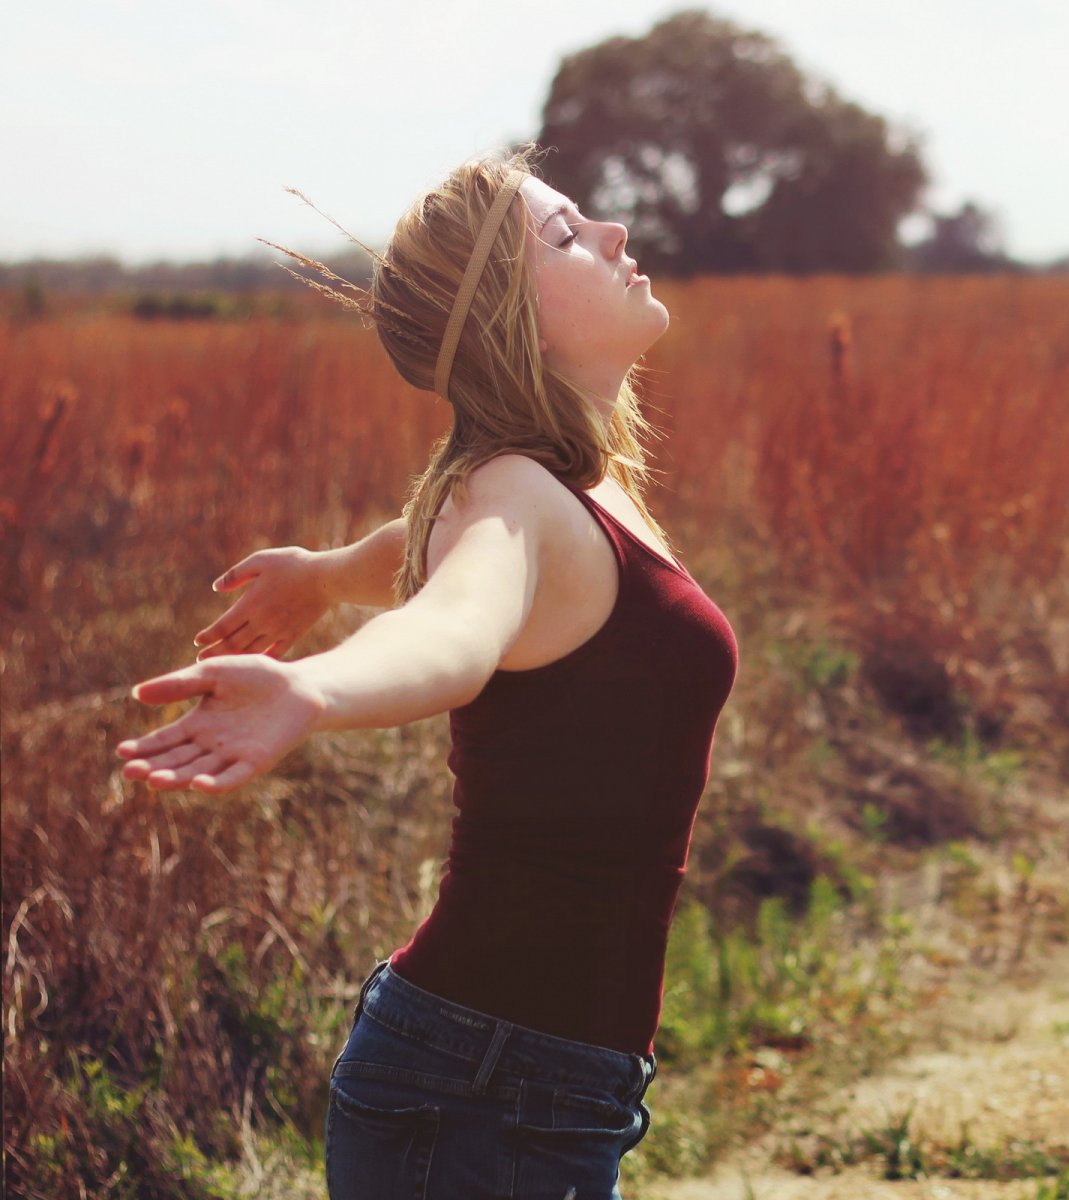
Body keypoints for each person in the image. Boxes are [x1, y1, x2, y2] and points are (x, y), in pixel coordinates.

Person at [115, 149, 738, 1199]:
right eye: (567, 235)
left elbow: (416, 547)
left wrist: (324, 575)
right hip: (480, 1093)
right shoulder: (512, 499)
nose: (615, 236)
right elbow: (456, 624)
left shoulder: (572, 487)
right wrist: (317, 687)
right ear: (507, 318)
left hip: (539, 1078)